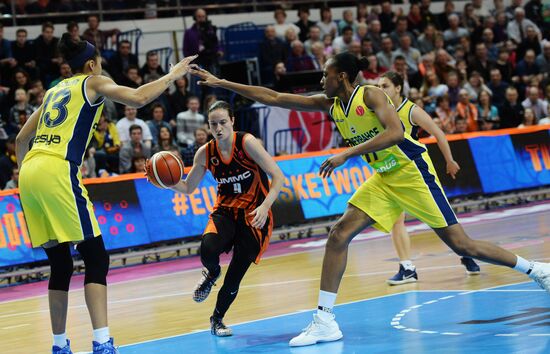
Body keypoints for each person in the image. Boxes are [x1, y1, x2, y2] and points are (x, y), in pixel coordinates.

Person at [190, 52, 550, 347]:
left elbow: (395, 133)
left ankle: (535, 269)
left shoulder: (372, 95)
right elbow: (275, 97)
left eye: (327, 76)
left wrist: (348, 154)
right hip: (383, 178)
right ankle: (325, 320)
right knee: (338, 234)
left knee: (462, 244)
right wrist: (223, 83)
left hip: (412, 172)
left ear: (343, 77)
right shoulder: (332, 104)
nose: (321, 81)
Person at [15, 32, 196, 354]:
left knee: (60, 263)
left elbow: (19, 140)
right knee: (96, 258)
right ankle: (101, 342)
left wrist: (33, 170)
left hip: (29, 172)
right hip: (57, 169)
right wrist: (173, 74)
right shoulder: (93, 83)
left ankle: (59, 346)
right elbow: (139, 98)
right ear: (90, 64)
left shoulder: (54, 90)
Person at [152, 101, 284, 336]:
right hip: (225, 211)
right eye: (214, 124)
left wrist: (265, 207)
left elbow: (278, 176)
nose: (219, 128)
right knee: (207, 249)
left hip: (254, 215)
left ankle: (217, 319)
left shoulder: (247, 143)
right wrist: (165, 182)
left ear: (232, 121)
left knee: (234, 278)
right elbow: (188, 187)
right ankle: (212, 273)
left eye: (223, 122)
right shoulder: (206, 152)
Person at [378, 72, 480, 285]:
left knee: (439, 219)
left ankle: (464, 251)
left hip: (416, 171)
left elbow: (438, 133)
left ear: (398, 88)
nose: (380, 90)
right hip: (392, 172)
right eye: (378, 86)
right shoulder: (378, 112)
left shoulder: (411, 110)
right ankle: (407, 267)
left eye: (385, 86)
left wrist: (449, 161)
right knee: (396, 220)